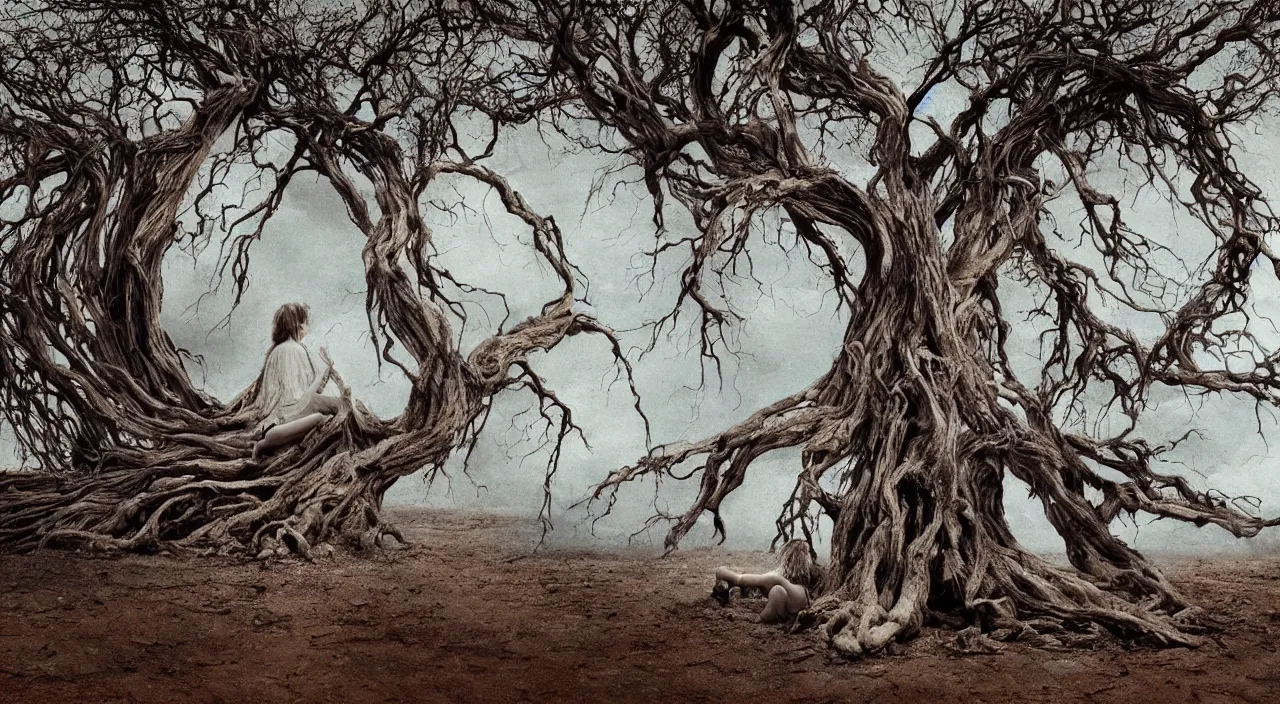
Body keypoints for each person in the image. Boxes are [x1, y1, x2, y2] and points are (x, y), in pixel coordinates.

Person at [250, 303, 343, 461]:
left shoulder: (281, 349)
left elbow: (307, 394)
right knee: (321, 417)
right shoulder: (292, 350)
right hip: (283, 418)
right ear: (298, 324)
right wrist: (321, 373)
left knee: (333, 408)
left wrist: (326, 371)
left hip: (282, 417)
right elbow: (297, 399)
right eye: (306, 321)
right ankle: (268, 442)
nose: (308, 326)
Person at [712, 539, 821, 623]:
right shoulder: (803, 588)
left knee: (777, 591)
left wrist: (720, 570)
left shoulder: (776, 579)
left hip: (777, 616)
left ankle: (760, 619)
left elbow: (738, 578)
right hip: (793, 613)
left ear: (785, 559)